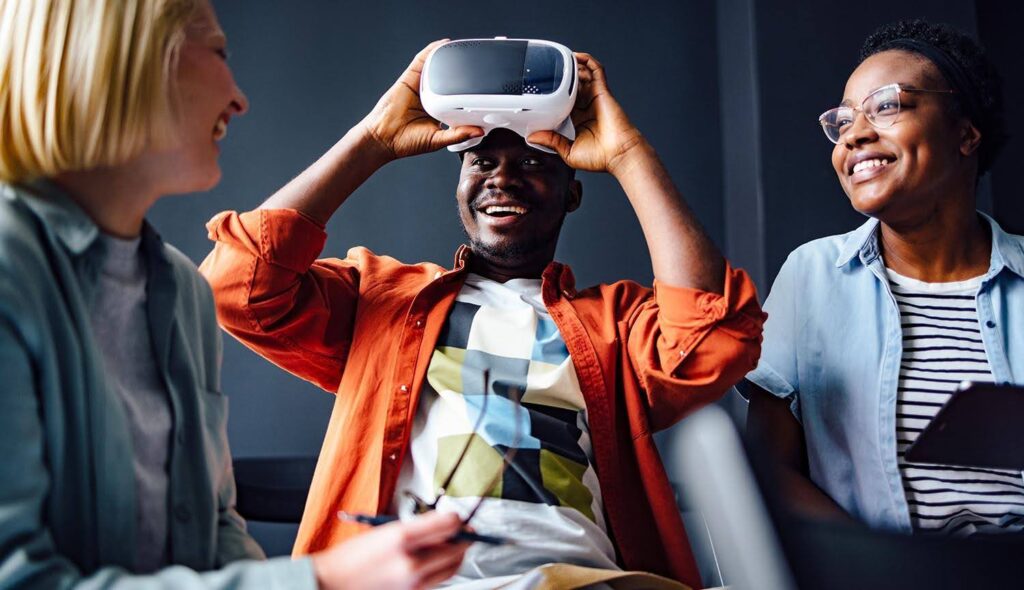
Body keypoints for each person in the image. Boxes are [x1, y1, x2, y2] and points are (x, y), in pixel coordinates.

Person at [199, 38, 765, 588]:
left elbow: (715, 336)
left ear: (572, 190)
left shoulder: (615, 322)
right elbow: (236, 287)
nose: (503, 176)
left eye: (533, 160)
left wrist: (626, 154)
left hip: (576, 579)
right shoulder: (380, 299)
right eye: (482, 160)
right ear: (460, 183)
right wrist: (373, 140)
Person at [0, 1, 469, 588]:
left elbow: (215, 530)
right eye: (219, 52)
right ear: (126, 62)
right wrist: (321, 580)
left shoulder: (179, 291)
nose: (240, 98)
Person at [745, 19, 1024, 537]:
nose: (855, 134)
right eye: (844, 120)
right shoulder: (812, 276)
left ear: (966, 134)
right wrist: (881, 566)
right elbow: (768, 472)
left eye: (887, 105)